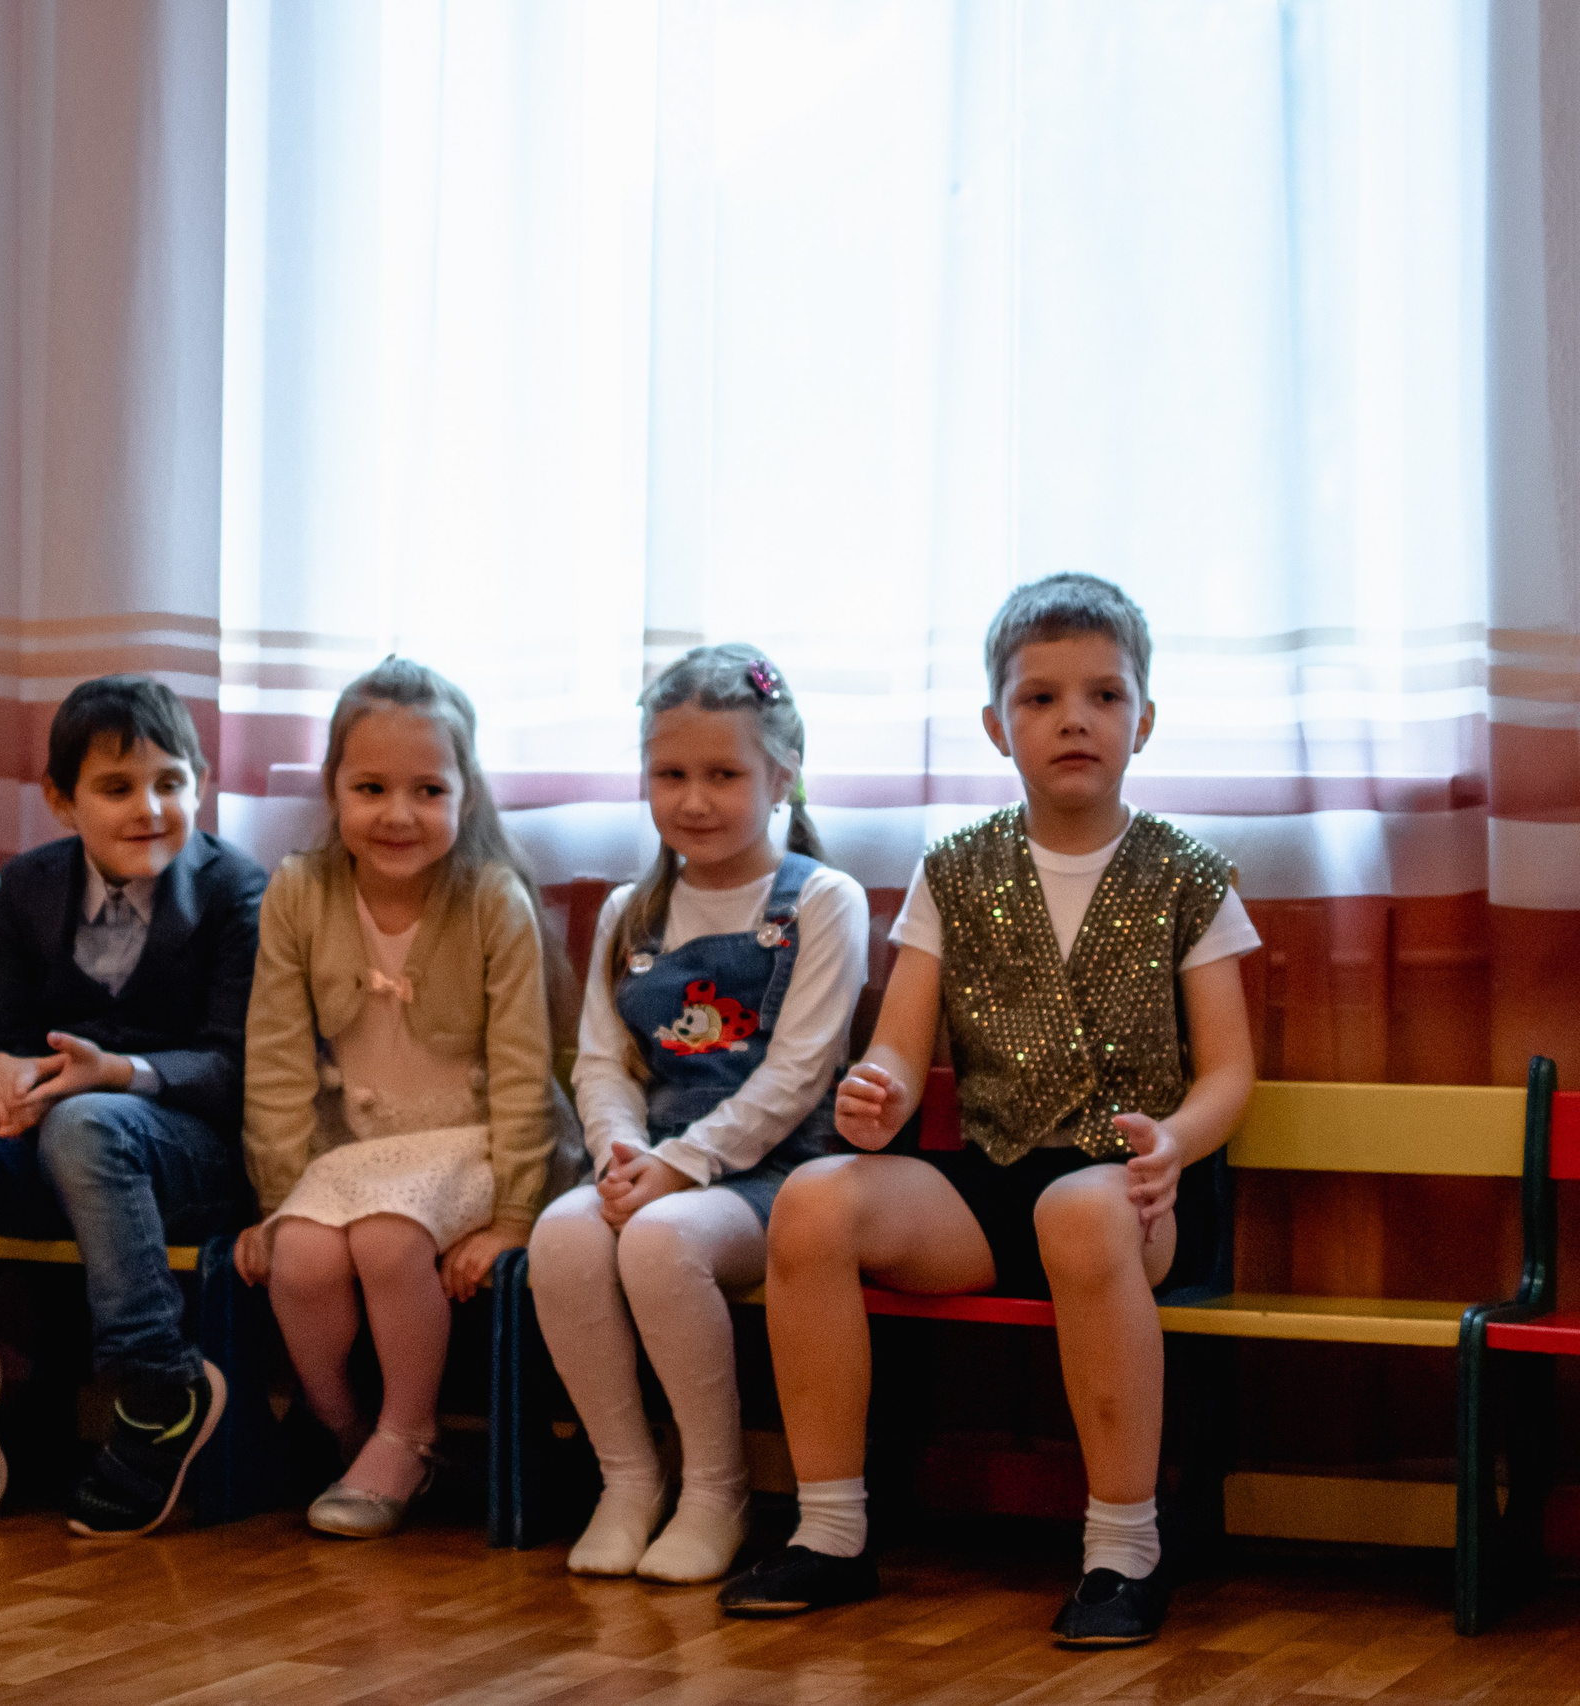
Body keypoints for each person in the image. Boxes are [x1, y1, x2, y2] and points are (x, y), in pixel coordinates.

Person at [719, 574, 1260, 1648]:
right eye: (1040, 696)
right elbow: (898, 1052)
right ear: (994, 723)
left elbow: (1229, 1069)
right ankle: (829, 1528)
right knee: (816, 1203)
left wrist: (1176, 1142)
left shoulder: (1186, 875)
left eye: (1104, 695)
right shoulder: (954, 870)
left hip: (1130, 1192)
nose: (1073, 718)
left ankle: (1122, 1548)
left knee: (1078, 1209)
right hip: (986, 1186)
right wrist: (874, 1097)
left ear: (1142, 721)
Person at [0, 675, 266, 1537]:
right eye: (117, 788)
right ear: (61, 801)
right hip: (52, 1129)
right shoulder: (31, 888)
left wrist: (121, 1072)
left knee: (89, 1124)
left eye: (171, 783)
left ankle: (158, 1382)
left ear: (200, 784)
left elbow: (237, 1066)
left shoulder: (237, 892)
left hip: (181, 1145)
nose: (149, 808)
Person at [530, 645, 868, 1585]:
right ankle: (629, 1478)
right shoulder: (629, 913)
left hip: (781, 1178)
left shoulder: (820, 903)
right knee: (561, 1240)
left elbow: (799, 1073)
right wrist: (621, 1151)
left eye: (724, 774)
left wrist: (682, 1167)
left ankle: (718, 1490)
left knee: (661, 1241)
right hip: (656, 1163)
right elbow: (601, 1061)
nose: (694, 799)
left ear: (782, 777)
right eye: (670, 774)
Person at [236, 656, 572, 1539]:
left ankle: (410, 1434)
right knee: (303, 1260)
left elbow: (522, 1070)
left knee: (388, 1241)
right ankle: (346, 1426)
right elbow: (274, 1060)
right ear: (334, 789)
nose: (397, 814)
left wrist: (512, 1216)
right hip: (353, 1151)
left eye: (428, 789)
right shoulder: (300, 892)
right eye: (371, 787)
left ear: (466, 793)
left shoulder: (491, 898)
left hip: (474, 1144)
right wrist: (277, 1200)